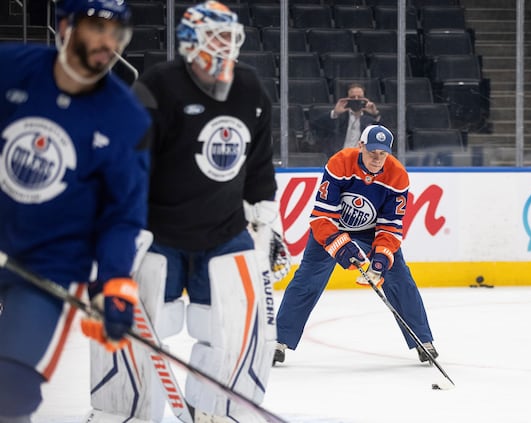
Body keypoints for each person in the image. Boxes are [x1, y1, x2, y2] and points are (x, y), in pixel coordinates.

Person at [87, 2, 290, 422]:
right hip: (159, 231)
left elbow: (258, 166)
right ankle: (124, 412)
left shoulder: (251, 90)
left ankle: (213, 410)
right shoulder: (158, 85)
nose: (226, 48)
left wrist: (267, 223)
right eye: (216, 38)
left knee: (234, 331)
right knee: (133, 329)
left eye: (230, 39)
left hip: (224, 229)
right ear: (190, 42)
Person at [0, 0, 151, 420]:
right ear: (64, 25)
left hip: (50, 269)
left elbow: (122, 216)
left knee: (10, 391)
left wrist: (114, 283)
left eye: (116, 32)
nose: (107, 41)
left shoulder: (127, 120)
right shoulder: (9, 69)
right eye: (95, 27)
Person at [273, 124, 439, 366]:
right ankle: (279, 340)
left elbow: (391, 227)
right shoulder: (340, 163)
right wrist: (341, 246)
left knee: (400, 277)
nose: (377, 158)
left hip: (372, 232)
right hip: (333, 226)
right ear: (360, 146)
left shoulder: (398, 176)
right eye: (372, 151)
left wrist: (380, 259)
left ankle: (423, 340)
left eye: (383, 153)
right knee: (307, 279)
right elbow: (321, 216)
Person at [311, 83, 382, 157]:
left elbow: (382, 136)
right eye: (352, 97)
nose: (356, 100)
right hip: (338, 157)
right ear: (347, 99)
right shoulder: (338, 116)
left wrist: (375, 114)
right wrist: (335, 113)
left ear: (365, 99)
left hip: (362, 159)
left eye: (360, 97)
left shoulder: (370, 118)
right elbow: (315, 126)